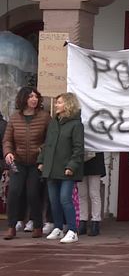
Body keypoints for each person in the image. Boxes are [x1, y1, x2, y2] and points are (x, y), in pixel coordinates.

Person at [2, 87, 50, 240]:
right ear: (23, 99)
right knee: (14, 192)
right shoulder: (15, 117)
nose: (34, 99)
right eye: (30, 96)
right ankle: (11, 226)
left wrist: (41, 150)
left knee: (33, 193)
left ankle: (37, 225)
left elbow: (50, 140)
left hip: (37, 162)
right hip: (18, 161)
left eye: (36, 96)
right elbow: (7, 139)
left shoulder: (44, 117)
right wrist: (8, 152)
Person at [37, 92, 84, 244]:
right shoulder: (53, 123)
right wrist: (41, 160)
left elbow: (78, 149)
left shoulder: (76, 125)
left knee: (65, 199)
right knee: (54, 200)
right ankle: (58, 227)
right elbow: (47, 144)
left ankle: (72, 230)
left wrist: (72, 166)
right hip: (51, 168)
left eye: (59, 102)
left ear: (68, 105)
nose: (56, 105)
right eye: (56, 102)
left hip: (66, 169)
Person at [78, 151, 106, 236]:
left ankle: (95, 222)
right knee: (82, 194)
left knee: (94, 193)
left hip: (95, 161)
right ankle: (82, 221)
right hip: (80, 160)